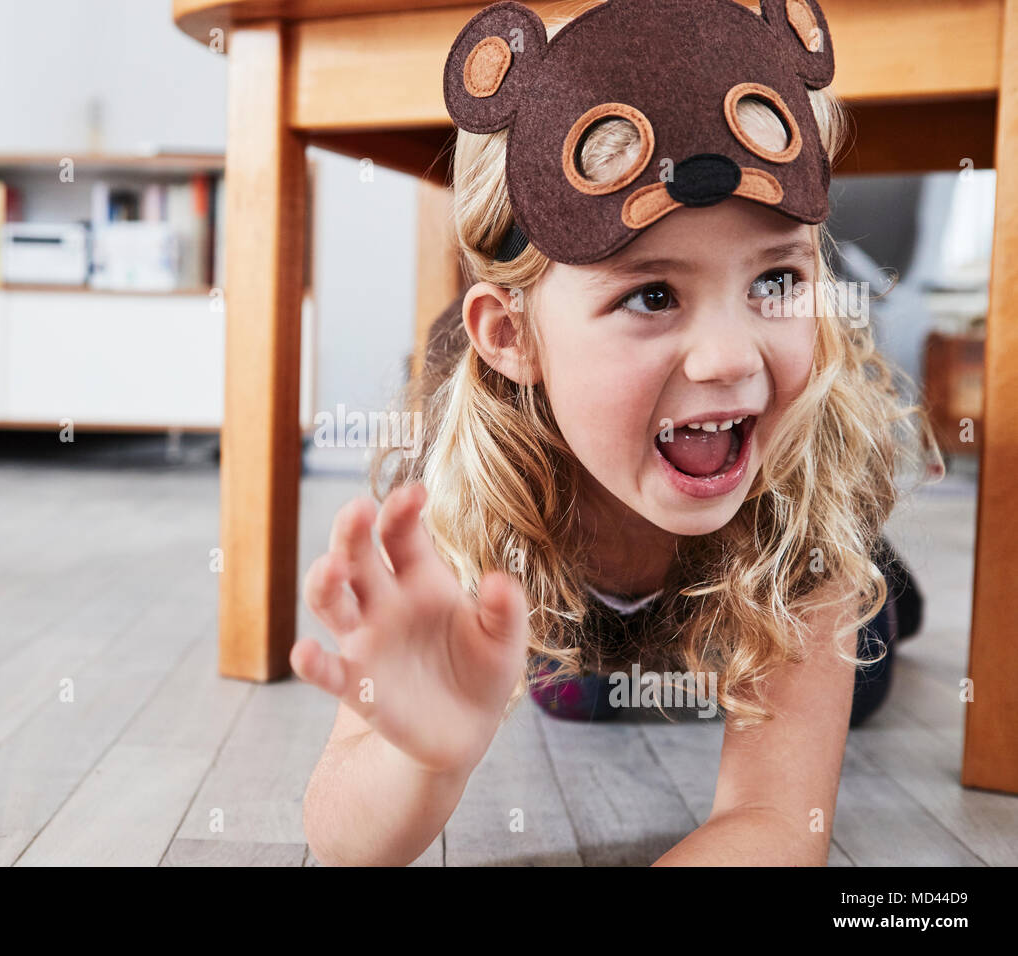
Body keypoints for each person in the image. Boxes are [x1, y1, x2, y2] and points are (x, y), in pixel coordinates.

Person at [292, 0, 942, 866]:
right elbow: (340, 841)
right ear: (514, 338)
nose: (727, 356)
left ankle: (886, 595)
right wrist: (416, 755)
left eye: (776, 279)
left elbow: (780, 823)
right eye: (653, 295)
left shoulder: (806, 475)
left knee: (857, 669)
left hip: (774, 559)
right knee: (572, 684)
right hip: (589, 594)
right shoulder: (466, 480)